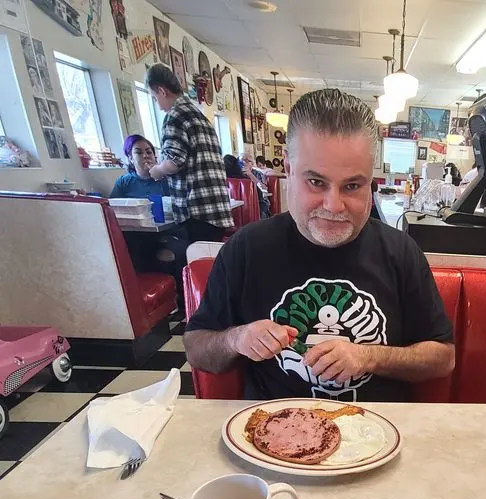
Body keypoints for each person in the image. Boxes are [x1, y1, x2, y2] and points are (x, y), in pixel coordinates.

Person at [185, 88, 455, 402]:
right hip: (271, 430)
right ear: (288, 167)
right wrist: (236, 338)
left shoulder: (401, 252)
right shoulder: (246, 248)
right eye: (316, 182)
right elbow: (197, 349)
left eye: (352, 186)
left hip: (378, 429)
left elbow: (442, 358)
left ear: (371, 179)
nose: (334, 205)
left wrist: (369, 357)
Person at [145, 64, 233, 243]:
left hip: (196, 208)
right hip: (216, 205)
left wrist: (157, 170)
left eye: (154, 98)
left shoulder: (175, 115)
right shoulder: (200, 117)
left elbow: (174, 161)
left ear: (162, 91)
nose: (158, 105)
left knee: (196, 265)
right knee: (209, 262)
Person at [109, 134, 187, 305]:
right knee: (125, 249)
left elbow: (178, 206)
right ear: (130, 157)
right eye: (139, 152)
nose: (145, 156)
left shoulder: (166, 180)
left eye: (149, 152)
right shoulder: (124, 182)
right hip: (136, 235)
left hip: (166, 233)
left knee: (179, 250)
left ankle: (182, 301)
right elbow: (113, 209)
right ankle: (138, 301)